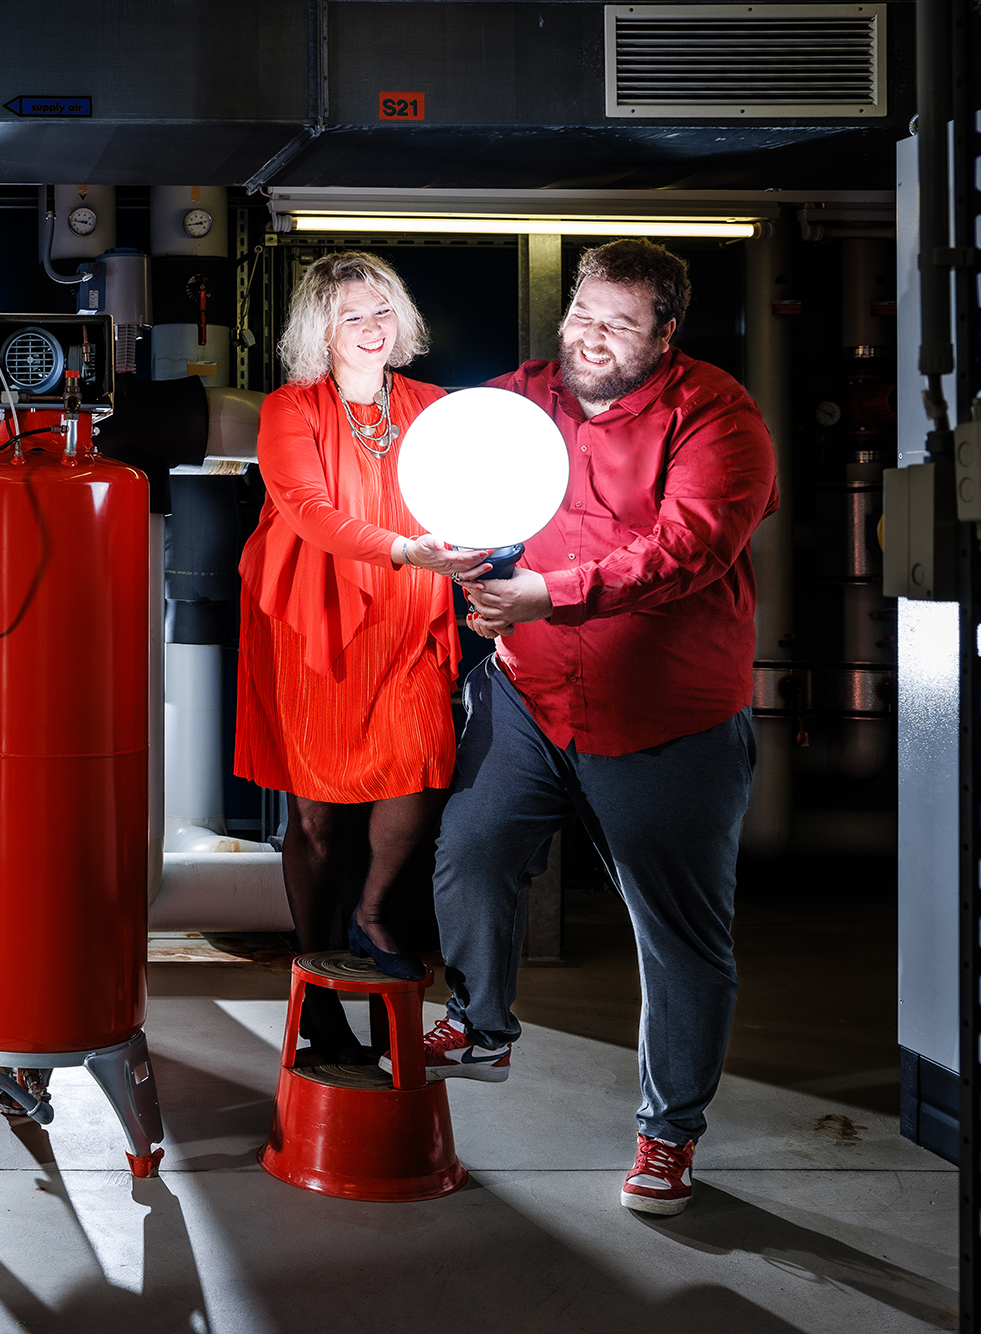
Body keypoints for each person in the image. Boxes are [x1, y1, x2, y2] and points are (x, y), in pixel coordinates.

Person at [421, 239, 778, 1216]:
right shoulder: (518, 395)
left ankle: (667, 1135)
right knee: (473, 848)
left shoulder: (716, 413)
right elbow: (461, 479)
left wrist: (546, 592)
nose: (589, 337)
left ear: (664, 333)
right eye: (581, 313)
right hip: (531, 694)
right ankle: (479, 1023)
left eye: (617, 324)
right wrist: (469, 561)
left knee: (676, 934)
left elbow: (689, 545)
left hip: (667, 713)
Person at [234, 251, 488, 1063]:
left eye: (382, 311)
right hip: (313, 610)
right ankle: (313, 972)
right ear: (323, 331)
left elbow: (473, 494)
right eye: (352, 316)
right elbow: (307, 511)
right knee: (314, 813)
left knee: (417, 763)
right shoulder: (289, 408)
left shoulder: (433, 405)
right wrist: (407, 549)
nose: (372, 328)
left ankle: (373, 910)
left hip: (409, 609)